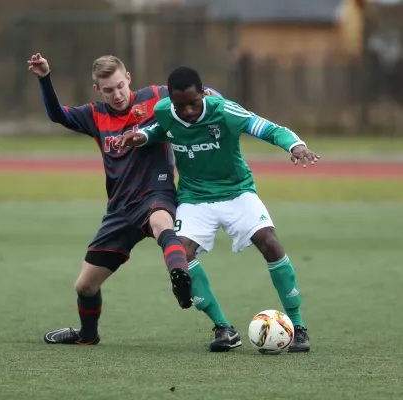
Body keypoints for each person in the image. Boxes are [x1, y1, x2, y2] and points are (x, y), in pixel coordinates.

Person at [27, 54, 240, 352]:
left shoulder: (157, 97)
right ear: (97, 89)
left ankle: (217, 321)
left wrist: (211, 100)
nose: (116, 95)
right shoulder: (94, 115)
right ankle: (87, 335)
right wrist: (44, 78)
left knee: (162, 224)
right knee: (85, 286)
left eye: (119, 87)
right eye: (107, 90)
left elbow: (205, 97)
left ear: (128, 79)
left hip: (156, 193)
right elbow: (57, 115)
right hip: (119, 210)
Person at [118, 66, 321, 352]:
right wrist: (142, 136)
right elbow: (160, 129)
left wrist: (295, 146)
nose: (187, 110)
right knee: (180, 257)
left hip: (237, 191)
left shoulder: (225, 111)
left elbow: (268, 128)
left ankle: (298, 326)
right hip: (193, 197)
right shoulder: (165, 110)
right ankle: (223, 327)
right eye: (180, 105)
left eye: (193, 102)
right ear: (172, 101)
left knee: (270, 243)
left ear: (203, 93)